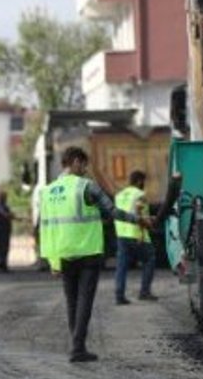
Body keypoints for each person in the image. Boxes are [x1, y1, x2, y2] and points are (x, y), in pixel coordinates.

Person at [39, 146, 151, 363]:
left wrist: (52, 261)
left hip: (63, 253)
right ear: (75, 162)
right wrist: (138, 220)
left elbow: (46, 228)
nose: (85, 169)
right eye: (83, 165)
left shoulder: (48, 191)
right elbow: (113, 212)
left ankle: (77, 345)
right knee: (84, 301)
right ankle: (77, 348)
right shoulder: (86, 186)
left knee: (71, 301)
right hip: (87, 251)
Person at [113, 170, 157, 304]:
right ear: (139, 181)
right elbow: (141, 216)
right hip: (137, 234)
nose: (144, 184)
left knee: (121, 265)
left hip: (121, 234)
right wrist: (150, 223)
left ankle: (119, 295)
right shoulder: (140, 195)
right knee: (149, 258)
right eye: (144, 182)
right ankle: (144, 292)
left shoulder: (119, 195)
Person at [0, 192, 16, 272]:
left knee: (4, 248)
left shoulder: (5, 207)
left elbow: (8, 215)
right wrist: (10, 215)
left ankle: (3, 264)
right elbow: (4, 214)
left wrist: (12, 216)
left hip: (5, 230)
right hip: (1, 230)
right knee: (1, 248)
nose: (4, 199)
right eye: (4, 198)